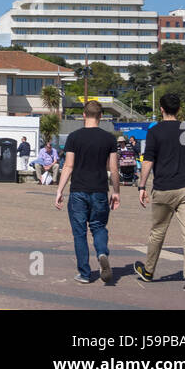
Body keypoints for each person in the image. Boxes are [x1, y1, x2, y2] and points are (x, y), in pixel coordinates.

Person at [134, 93, 185, 293]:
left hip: (163, 188)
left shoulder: (155, 131)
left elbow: (148, 160)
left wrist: (142, 186)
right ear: (179, 109)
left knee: (158, 231)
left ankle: (148, 271)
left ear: (161, 109)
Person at [54, 100, 120, 284]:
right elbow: (114, 169)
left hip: (78, 191)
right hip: (99, 190)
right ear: (101, 116)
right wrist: (116, 192)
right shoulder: (109, 139)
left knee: (79, 233)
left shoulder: (74, 137)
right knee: (98, 227)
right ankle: (101, 253)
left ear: (83, 115)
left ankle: (84, 273)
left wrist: (60, 190)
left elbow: (68, 165)